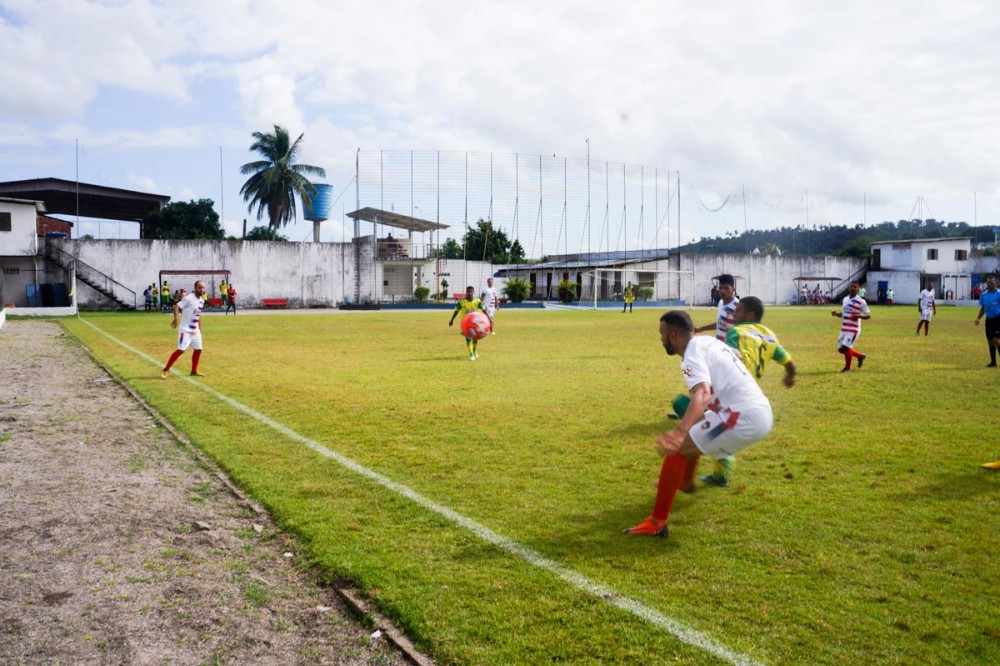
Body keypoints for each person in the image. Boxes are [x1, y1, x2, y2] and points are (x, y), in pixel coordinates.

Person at [624, 310, 773, 538]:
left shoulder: (690, 356)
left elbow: (702, 394)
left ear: (672, 335)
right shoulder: (707, 342)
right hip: (757, 411)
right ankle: (684, 481)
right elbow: (734, 353)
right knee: (694, 434)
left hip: (742, 416)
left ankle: (657, 522)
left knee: (678, 448)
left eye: (662, 335)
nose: (661, 339)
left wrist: (678, 432)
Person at [161, 280, 207, 379]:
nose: (202, 289)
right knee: (181, 350)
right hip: (185, 330)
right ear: (195, 288)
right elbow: (176, 306)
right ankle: (166, 369)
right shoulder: (188, 298)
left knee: (198, 350)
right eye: (200, 287)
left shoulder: (202, 300)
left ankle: (194, 371)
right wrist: (176, 318)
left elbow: (198, 314)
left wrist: (199, 326)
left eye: (203, 287)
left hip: (195, 330)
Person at [832, 280, 871, 372]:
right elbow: (844, 313)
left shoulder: (861, 301)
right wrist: (836, 314)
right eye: (851, 286)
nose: (853, 288)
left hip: (853, 329)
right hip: (844, 328)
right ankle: (860, 356)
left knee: (845, 348)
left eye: (855, 287)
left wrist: (859, 316)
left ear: (858, 289)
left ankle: (847, 368)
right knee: (840, 349)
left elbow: (868, 315)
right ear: (849, 288)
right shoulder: (845, 300)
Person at [448, 286, 492, 360]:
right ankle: (471, 355)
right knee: (468, 338)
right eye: (468, 291)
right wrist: (452, 320)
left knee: (475, 338)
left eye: (471, 291)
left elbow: (484, 310)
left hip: (475, 323)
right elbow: (456, 311)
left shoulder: (477, 301)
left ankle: (474, 352)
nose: (470, 293)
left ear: (473, 292)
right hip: (465, 324)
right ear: (466, 292)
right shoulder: (462, 302)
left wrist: (489, 319)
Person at [695, 274, 739, 340]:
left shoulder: (737, 306)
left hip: (731, 346)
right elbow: (721, 323)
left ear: (733, 290)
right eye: (721, 288)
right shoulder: (721, 302)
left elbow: (741, 329)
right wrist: (701, 328)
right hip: (720, 345)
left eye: (726, 288)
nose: (723, 291)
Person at [975, 274, 1000, 367]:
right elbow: (983, 308)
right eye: (988, 283)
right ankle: (993, 362)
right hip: (989, 321)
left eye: (992, 282)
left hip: (998, 319)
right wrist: (978, 318)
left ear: (995, 282)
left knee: (997, 340)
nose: (990, 284)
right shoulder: (984, 295)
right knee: (990, 341)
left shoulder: (999, 293)